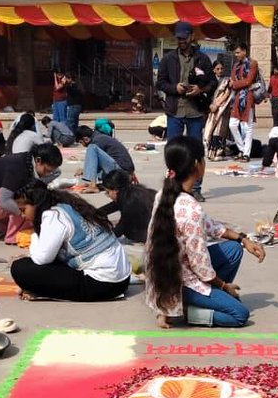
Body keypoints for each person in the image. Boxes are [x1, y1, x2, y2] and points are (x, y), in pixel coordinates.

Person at [144, 136, 266, 328]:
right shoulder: (191, 210)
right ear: (196, 164)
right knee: (239, 314)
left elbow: (210, 225)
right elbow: (201, 267)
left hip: (167, 272)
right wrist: (224, 286)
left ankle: (203, 300)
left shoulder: (164, 195)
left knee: (234, 249)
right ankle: (189, 311)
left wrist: (243, 239)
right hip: (179, 282)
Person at [10, 181, 132, 302]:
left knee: (20, 268)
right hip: (122, 279)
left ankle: (43, 291)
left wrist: (34, 236)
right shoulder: (67, 205)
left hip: (102, 284)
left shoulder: (53, 215)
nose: (22, 215)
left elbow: (42, 259)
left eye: (23, 210)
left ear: (36, 204)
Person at [0, 143, 63, 244]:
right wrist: (25, 214)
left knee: (30, 196)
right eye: (46, 170)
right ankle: (14, 236)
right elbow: (4, 200)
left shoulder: (28, 162)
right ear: (38, 160)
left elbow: (56, 172)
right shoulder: (18, 167)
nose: (47, 174)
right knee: (24, 199)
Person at [154, 22, 217, 143]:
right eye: (179, 38)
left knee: (195, 150)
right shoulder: (168, 59)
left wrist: (200, 89)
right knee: (174, 149)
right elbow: (160, 83)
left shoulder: (202, 59)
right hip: (174, 112)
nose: (181, 41)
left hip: (196, 111)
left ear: (192, 37)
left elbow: (213, 83)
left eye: (184, 38)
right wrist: (174, 88)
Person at [99, 169, 156, 242]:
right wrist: (96, 212)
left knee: (129, 233)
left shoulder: (130, 203)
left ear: (116, 190)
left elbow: (120, 229)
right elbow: (115, 205)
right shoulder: (132, 191)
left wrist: (100, 237)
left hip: (156, 233)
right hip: (158, 224)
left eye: (108, 192)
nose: (107, 195)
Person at [227, 41, 259, 162]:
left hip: (248, 97)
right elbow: (233, 80)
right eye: (235, 53)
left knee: (247, 126)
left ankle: (246, 153)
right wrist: (234, 84)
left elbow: (248, 81)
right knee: (233, 125)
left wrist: (234, 84)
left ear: (245, 51)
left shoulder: (253, 64)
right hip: (237, 98)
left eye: (238, 52)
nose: (236, 55)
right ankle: (241, 149)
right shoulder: (235, 66)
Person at [203, 60, 232, 161]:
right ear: (213, 70)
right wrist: (211, 105)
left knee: (220, 130)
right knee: (209, 130)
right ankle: (210, 152)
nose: (220, 71)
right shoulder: (210, 81)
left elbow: (226, 94)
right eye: (218, 69)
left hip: (223, 109)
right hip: (212, 109)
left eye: (221, 69)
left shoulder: (227, 81)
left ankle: (219, 152)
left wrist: (217, 104)